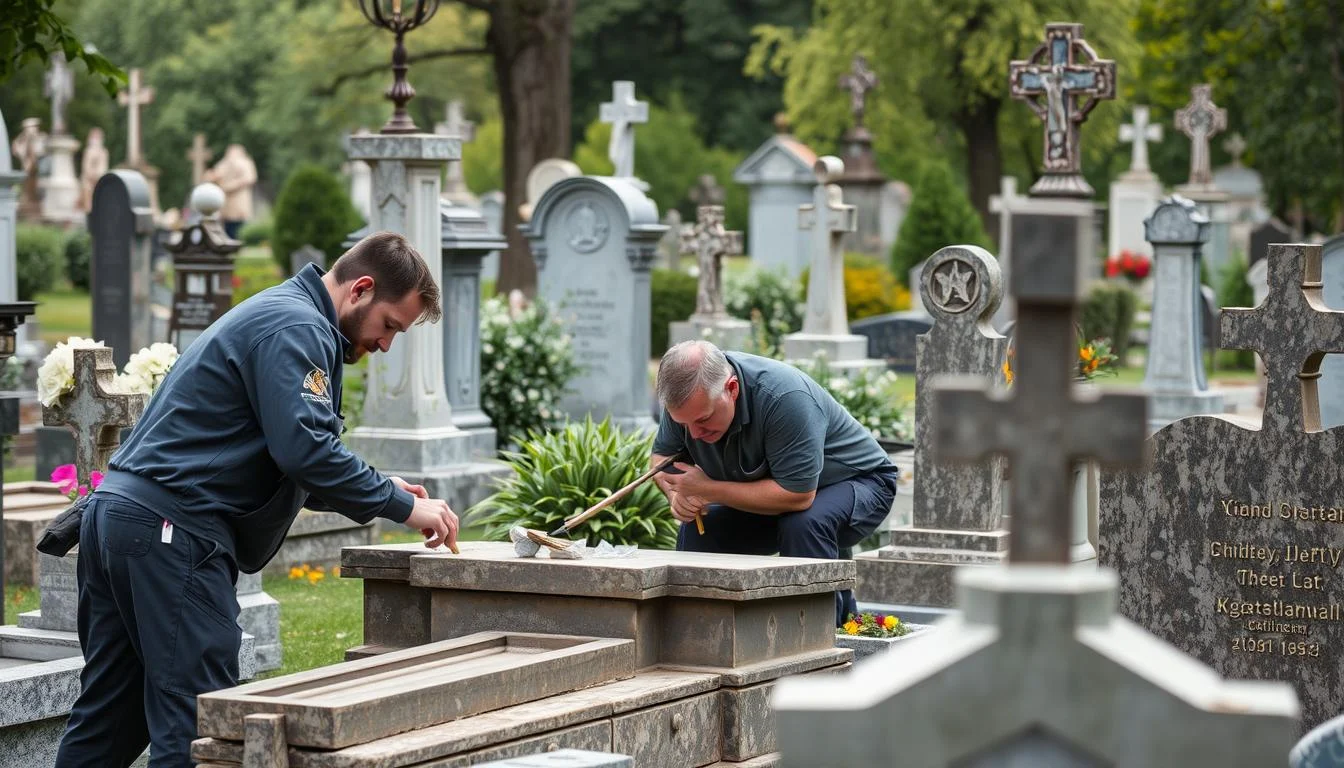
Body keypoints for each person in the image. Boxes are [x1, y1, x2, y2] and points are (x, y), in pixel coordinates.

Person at [54, 231, 460, 768]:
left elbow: (287, 458)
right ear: (361, 289)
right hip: (171, 532)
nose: (386, 345)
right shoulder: (300, 327)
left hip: (121, 519)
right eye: (389, 326)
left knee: (109, 719)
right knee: (197, 725)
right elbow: (306, 451)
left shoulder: (282, 314)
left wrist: (383, 488)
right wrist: (404, 506)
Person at [651, 340, 899, 626]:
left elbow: (798, 496)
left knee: (805, 523)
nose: (693, 434)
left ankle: (818, 638)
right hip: (782, 491)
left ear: (731, 389)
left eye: (703, 420)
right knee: (702, 529)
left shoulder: (784, 397)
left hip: (861, 483)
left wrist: (706, 489)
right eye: (683, 424)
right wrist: (677, 495)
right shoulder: (689, 400)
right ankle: (698, 633)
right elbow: (662, 458)